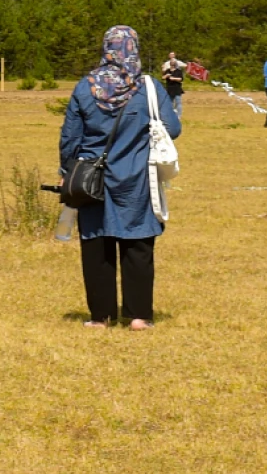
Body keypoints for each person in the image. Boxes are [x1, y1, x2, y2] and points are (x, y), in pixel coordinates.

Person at [61, 26, 181, 329]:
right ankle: (139, 317)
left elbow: (70, 139)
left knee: (96, 244)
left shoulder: (84, 87)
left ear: (106, 48)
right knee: (138, 243)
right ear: (133, 48)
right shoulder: (149, 88)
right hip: (137, 179)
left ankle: (101, 317)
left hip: (92, 180)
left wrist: (67, 171)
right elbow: (174, 129)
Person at [160, 52, 187, 117]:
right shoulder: (167, 66)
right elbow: (163, 75)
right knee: (170, 102)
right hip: (169, 88)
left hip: (177, 88)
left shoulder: (178, 69)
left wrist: (173, 78)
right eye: (170, 55)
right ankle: (171, 115)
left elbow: (181, 77)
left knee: (178, 102)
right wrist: (166, 75)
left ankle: (178, 116)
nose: (172, 64)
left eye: (173, 55)